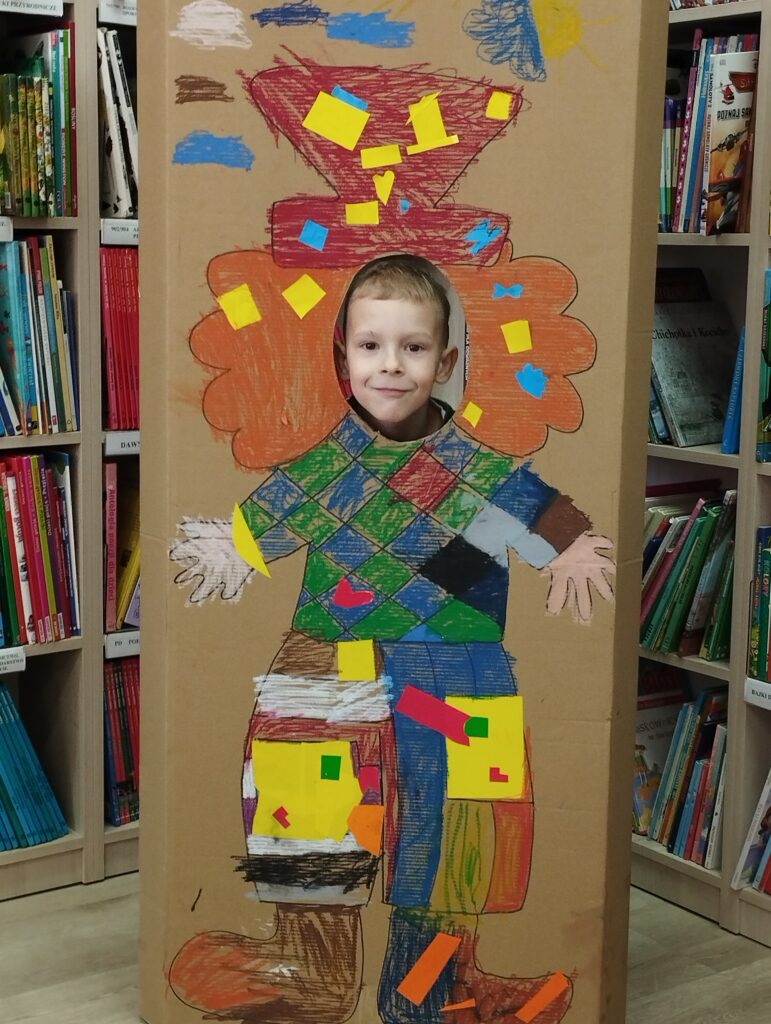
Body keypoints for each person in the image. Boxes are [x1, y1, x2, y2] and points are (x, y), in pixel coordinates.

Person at [169, 254, 614, 1024]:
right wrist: (228, 551)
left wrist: (569, 550)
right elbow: (248, 532)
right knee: (312, 824)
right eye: (370, 345)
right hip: (326, 670)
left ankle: (428, 989)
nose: (390, 365)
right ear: (342, 355)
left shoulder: (479, 469)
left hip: (456, 672)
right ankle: (311, 976)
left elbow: (553, 522)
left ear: (445, 361)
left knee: (455, 840)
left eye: (412, 347)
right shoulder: (323, 467)